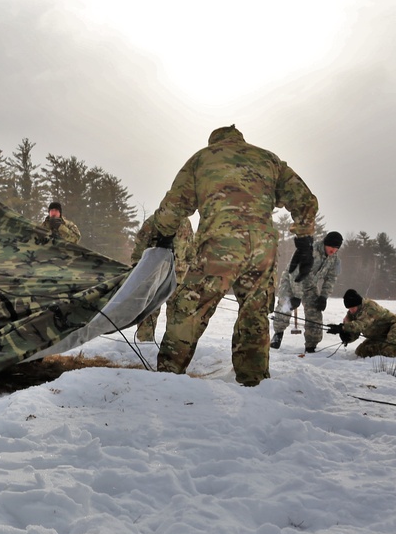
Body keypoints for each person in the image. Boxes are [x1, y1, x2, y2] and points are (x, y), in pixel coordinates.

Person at [145, 124, 319, 387]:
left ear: (214, 142)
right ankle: (254, 382)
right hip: (262, 248)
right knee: (255, 314)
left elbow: (173, 206)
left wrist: (163, 235)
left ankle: (168, 377)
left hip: (221, 245)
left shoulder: (202, 158)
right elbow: (303, 198)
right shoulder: (269, 159)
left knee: (189, 308)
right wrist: (305, 239)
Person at [270, 231, 343, 353]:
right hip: (291, 280)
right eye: (332, 247)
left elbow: (331, 279)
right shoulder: (309, 250)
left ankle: (311, 344)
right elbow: (294, 272)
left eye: (337, 248)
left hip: (310, 286)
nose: (334, 250)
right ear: (326, 243)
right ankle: (278, 334)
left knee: (314, 313)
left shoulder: (334, 260)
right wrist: (297, 296)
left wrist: (323, 297)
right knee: (286, 306)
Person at [130, 216, 195, 342]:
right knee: (149, 310)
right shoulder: (154, 220)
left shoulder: (186, 222)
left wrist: (192, 266)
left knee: (177, 311)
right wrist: (137, 267)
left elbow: (190, 245)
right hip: (155, 273)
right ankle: (144, 342)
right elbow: (140, 244)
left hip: (178, 275)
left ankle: (173, 345)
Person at [328, 289, 396, 358]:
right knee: (361, 352)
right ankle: (384, 349)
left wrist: (343, 327)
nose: (351, 310)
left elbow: (361, 324)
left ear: (358, 304)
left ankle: (389, 355)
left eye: (352, 308)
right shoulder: (351, 314)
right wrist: (347, 336)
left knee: (395, 333)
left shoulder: (370, 307)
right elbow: (355, 332)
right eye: (349, 308)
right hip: (381, 336)